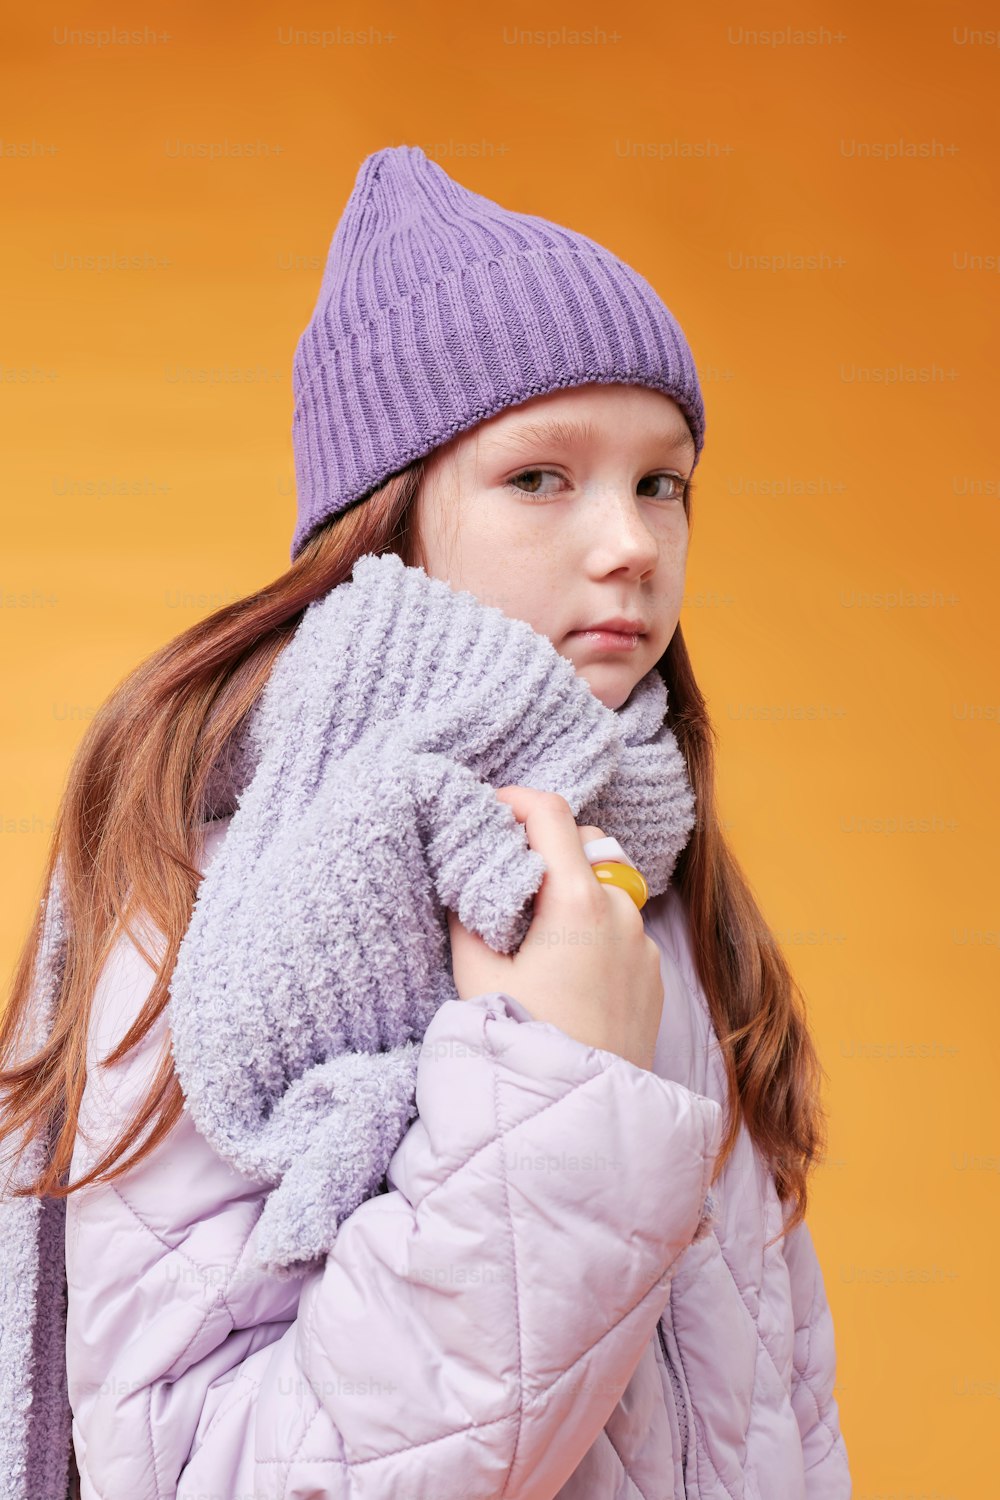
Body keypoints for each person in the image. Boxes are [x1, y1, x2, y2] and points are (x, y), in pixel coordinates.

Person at [0, 145, 851, 1499]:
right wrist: (561, 1088)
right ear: (385, 522)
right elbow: (220, 1472)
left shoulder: (654, 876)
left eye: (661, 481)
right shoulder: (226, 890)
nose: (630, 542)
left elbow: (783, 1422)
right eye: (541, 478)